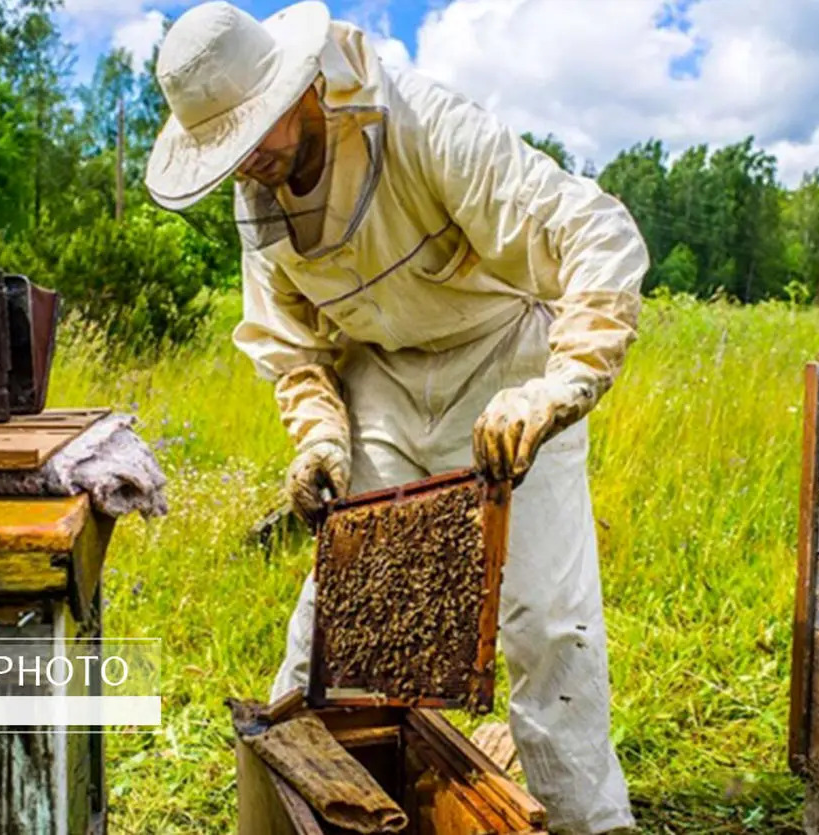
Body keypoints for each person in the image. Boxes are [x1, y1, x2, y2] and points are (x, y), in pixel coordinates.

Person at [144, 2, 650, 832]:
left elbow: (596, 231)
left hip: (504, 358)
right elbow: (295, 349)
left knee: (545, 617)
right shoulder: (258, 192)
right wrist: (319, 439)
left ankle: (586, 817)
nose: (254, 161)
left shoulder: (422, 123)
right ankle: (293, 798)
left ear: (304, 87)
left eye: (259, 133)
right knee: (338, 609)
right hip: (378, 373)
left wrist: (560, 386)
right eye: (233, 151)